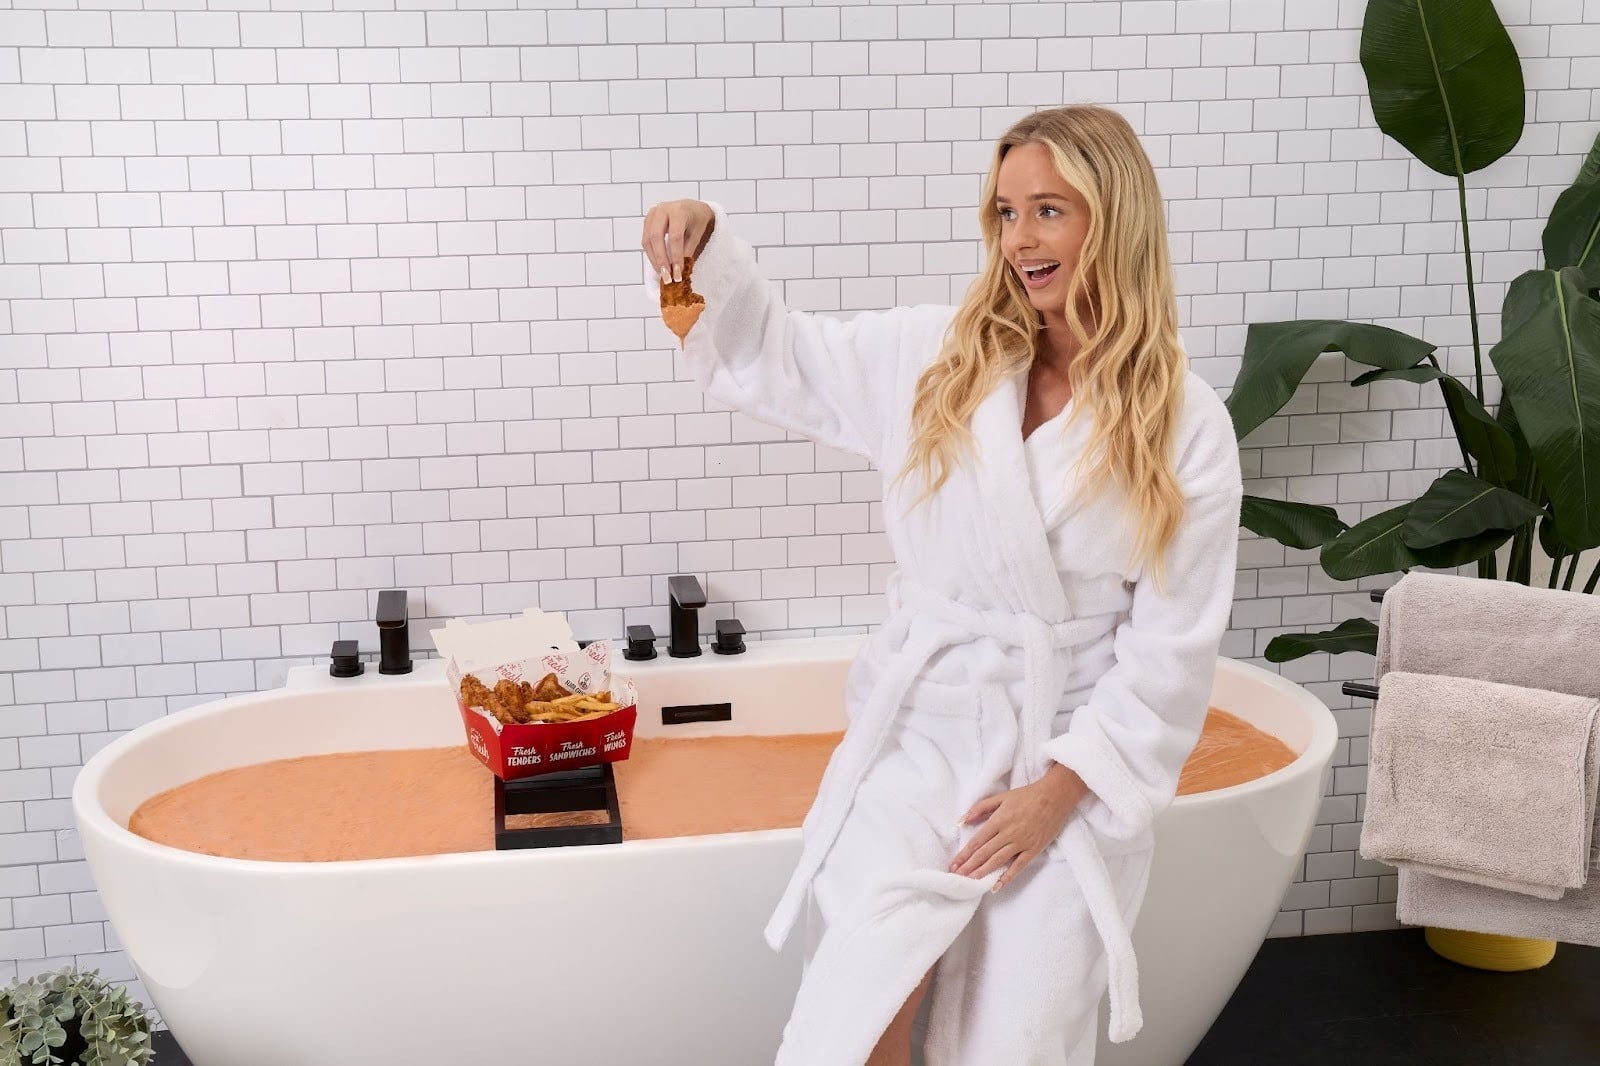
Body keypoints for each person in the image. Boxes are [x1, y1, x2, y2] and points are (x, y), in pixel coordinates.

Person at [639, 104, 1243, 1066]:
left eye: (1049, 209)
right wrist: (706, 246)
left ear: (1114, 216)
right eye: (1006, 213)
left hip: (1067, 754)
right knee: (857, 1014)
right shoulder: (939, 358)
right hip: (924, 733)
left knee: (1017, 1038)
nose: (1020, 240)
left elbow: (1171, 651)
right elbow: (779, 355)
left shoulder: (1187, 426)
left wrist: (1057, 791)